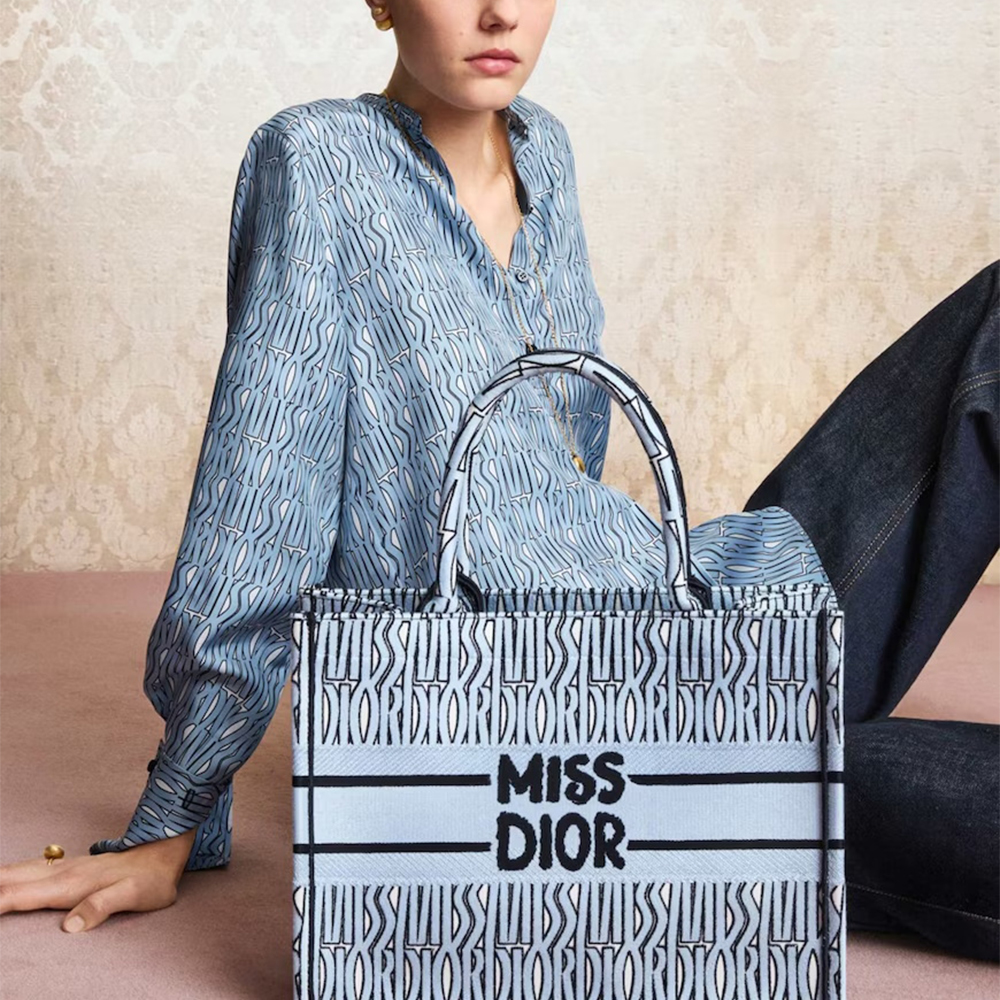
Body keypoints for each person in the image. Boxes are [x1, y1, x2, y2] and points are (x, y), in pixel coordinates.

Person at [1, 0, 996, 965]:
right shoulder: (317, 162)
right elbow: (262, 502)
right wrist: (173, 815)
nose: (499, 13)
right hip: (554, 746)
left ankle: (768, 698)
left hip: (699, 607)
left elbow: (571, 456)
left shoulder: (545, 150)